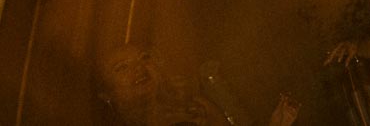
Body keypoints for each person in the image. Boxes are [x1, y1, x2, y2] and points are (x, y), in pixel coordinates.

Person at [97, 42, 300, 126]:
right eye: (121, 67)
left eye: (144, 58)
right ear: (106, 94)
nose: (139, 68)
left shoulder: (193, 106)